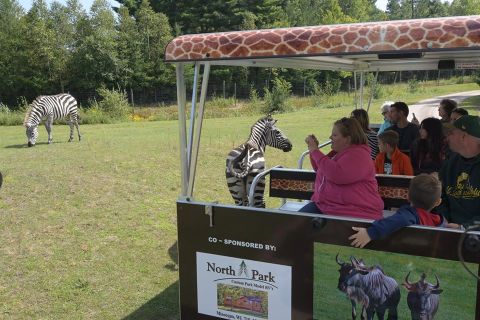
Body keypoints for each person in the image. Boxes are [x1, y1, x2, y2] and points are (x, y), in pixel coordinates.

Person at [301, 117, 383, 220]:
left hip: (354, 212)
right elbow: (321, 169)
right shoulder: (339, 153)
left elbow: (337, 175)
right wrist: (313, 150)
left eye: (335, 135)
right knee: (290, 227)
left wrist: (315, 151)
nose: (330, 137)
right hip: (328, 207)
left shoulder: (359, 155)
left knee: (294, 229)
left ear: (348, 139)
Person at [349, 174, 448, 248]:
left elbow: (399, 220)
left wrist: (370, 233)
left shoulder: (409, 215)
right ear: (438, 202)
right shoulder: (441, 222)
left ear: (408, 196)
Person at [434, 115, 480, 227]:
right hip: (448, 229)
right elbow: (440, 196)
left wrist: (464, 227)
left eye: (451, 133)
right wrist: (444, 220)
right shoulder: (451, 162)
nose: (447, 138)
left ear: (463, 136)